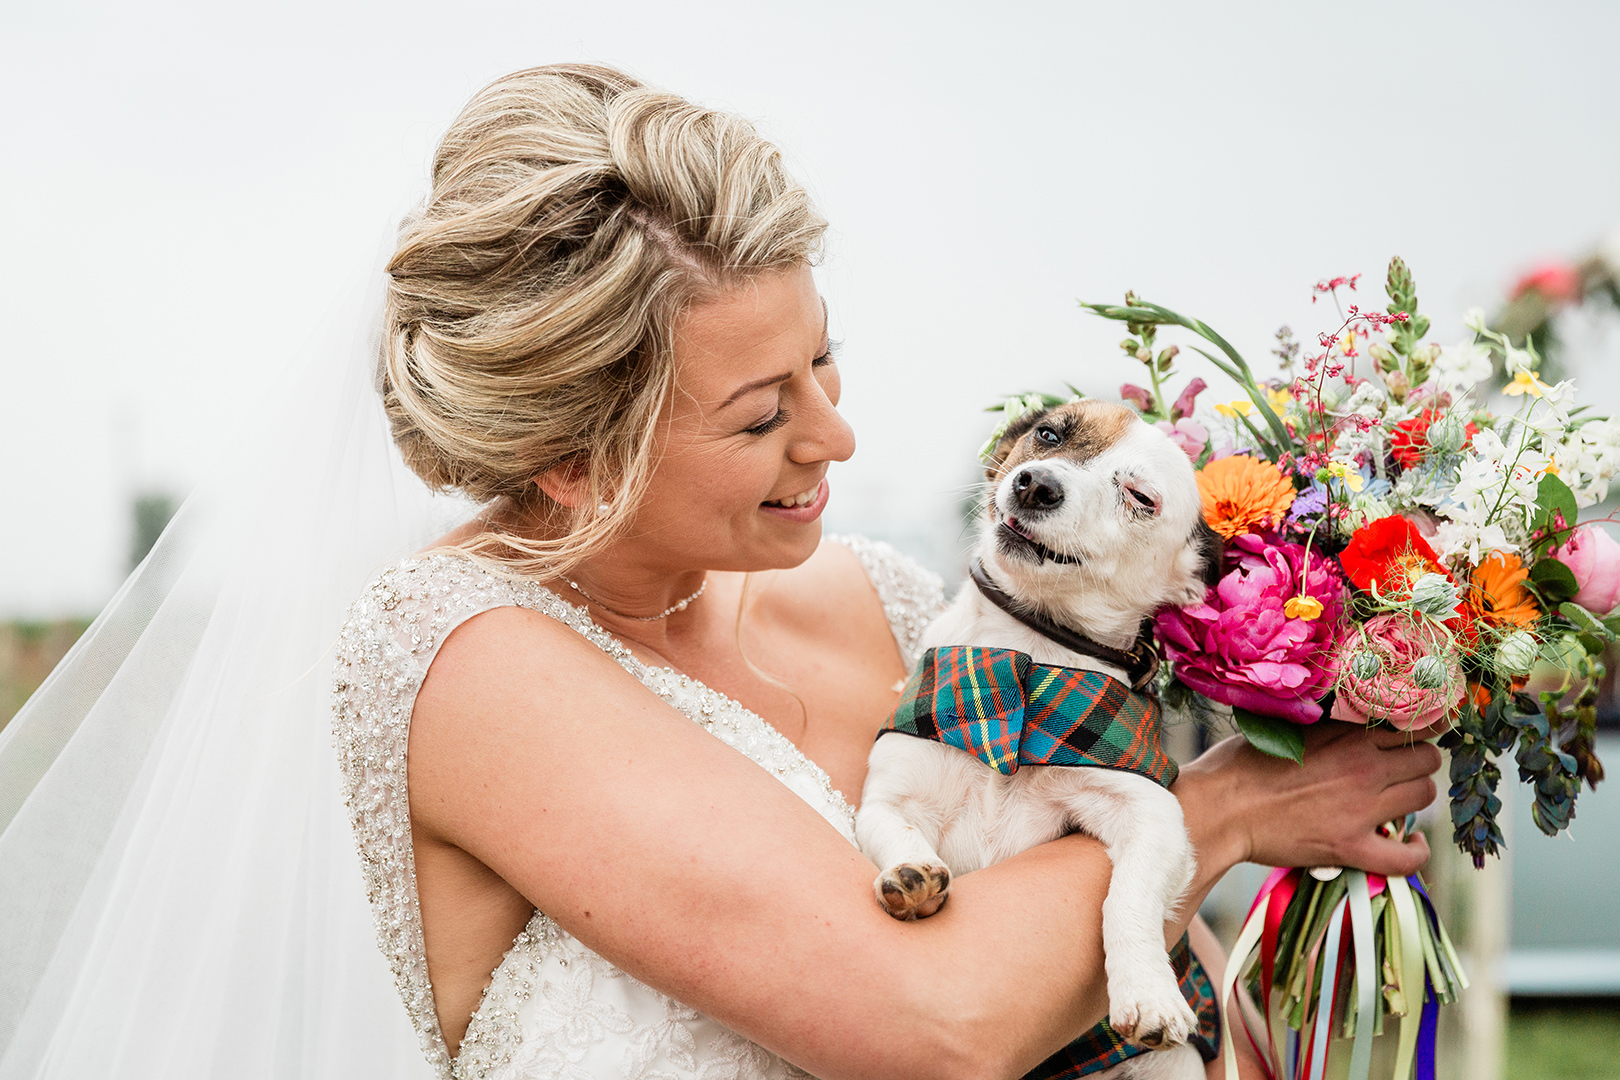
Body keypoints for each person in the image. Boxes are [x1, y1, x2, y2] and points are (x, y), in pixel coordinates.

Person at [0, 64, 1439, 1080]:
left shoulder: (884, 599)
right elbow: (937, 1023)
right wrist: (1230, 808)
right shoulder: (464, 657)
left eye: (824, 359)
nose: (835, 435)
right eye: (761, 417)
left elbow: (1106, 976)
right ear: (573, 460)